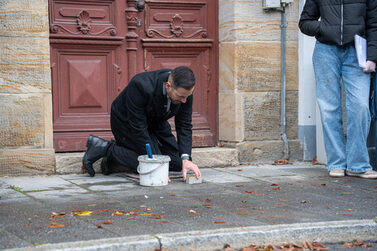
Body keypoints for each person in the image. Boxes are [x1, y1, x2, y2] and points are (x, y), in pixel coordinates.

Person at [299, 0, 377, 179]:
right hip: (326, 51)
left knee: (360, 107)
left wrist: (372, 57)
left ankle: (358, 165)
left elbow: (374, 25)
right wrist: (323, 28)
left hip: (357, 51)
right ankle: (337, 163)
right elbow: (304, 22)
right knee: (329, 109)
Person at [82, 66, 201, 181]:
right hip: (126, 122)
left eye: (187, 96)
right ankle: (106, 149)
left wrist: (186, 159)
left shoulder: (185, 92)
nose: (184, 101)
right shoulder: (140, 85)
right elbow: (138, 127)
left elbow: (184, 125)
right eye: (181, 97)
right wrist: (154, 164)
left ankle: (118, 158)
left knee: (176, 164)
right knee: (153, 163)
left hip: (156, 122)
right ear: (168, 85)